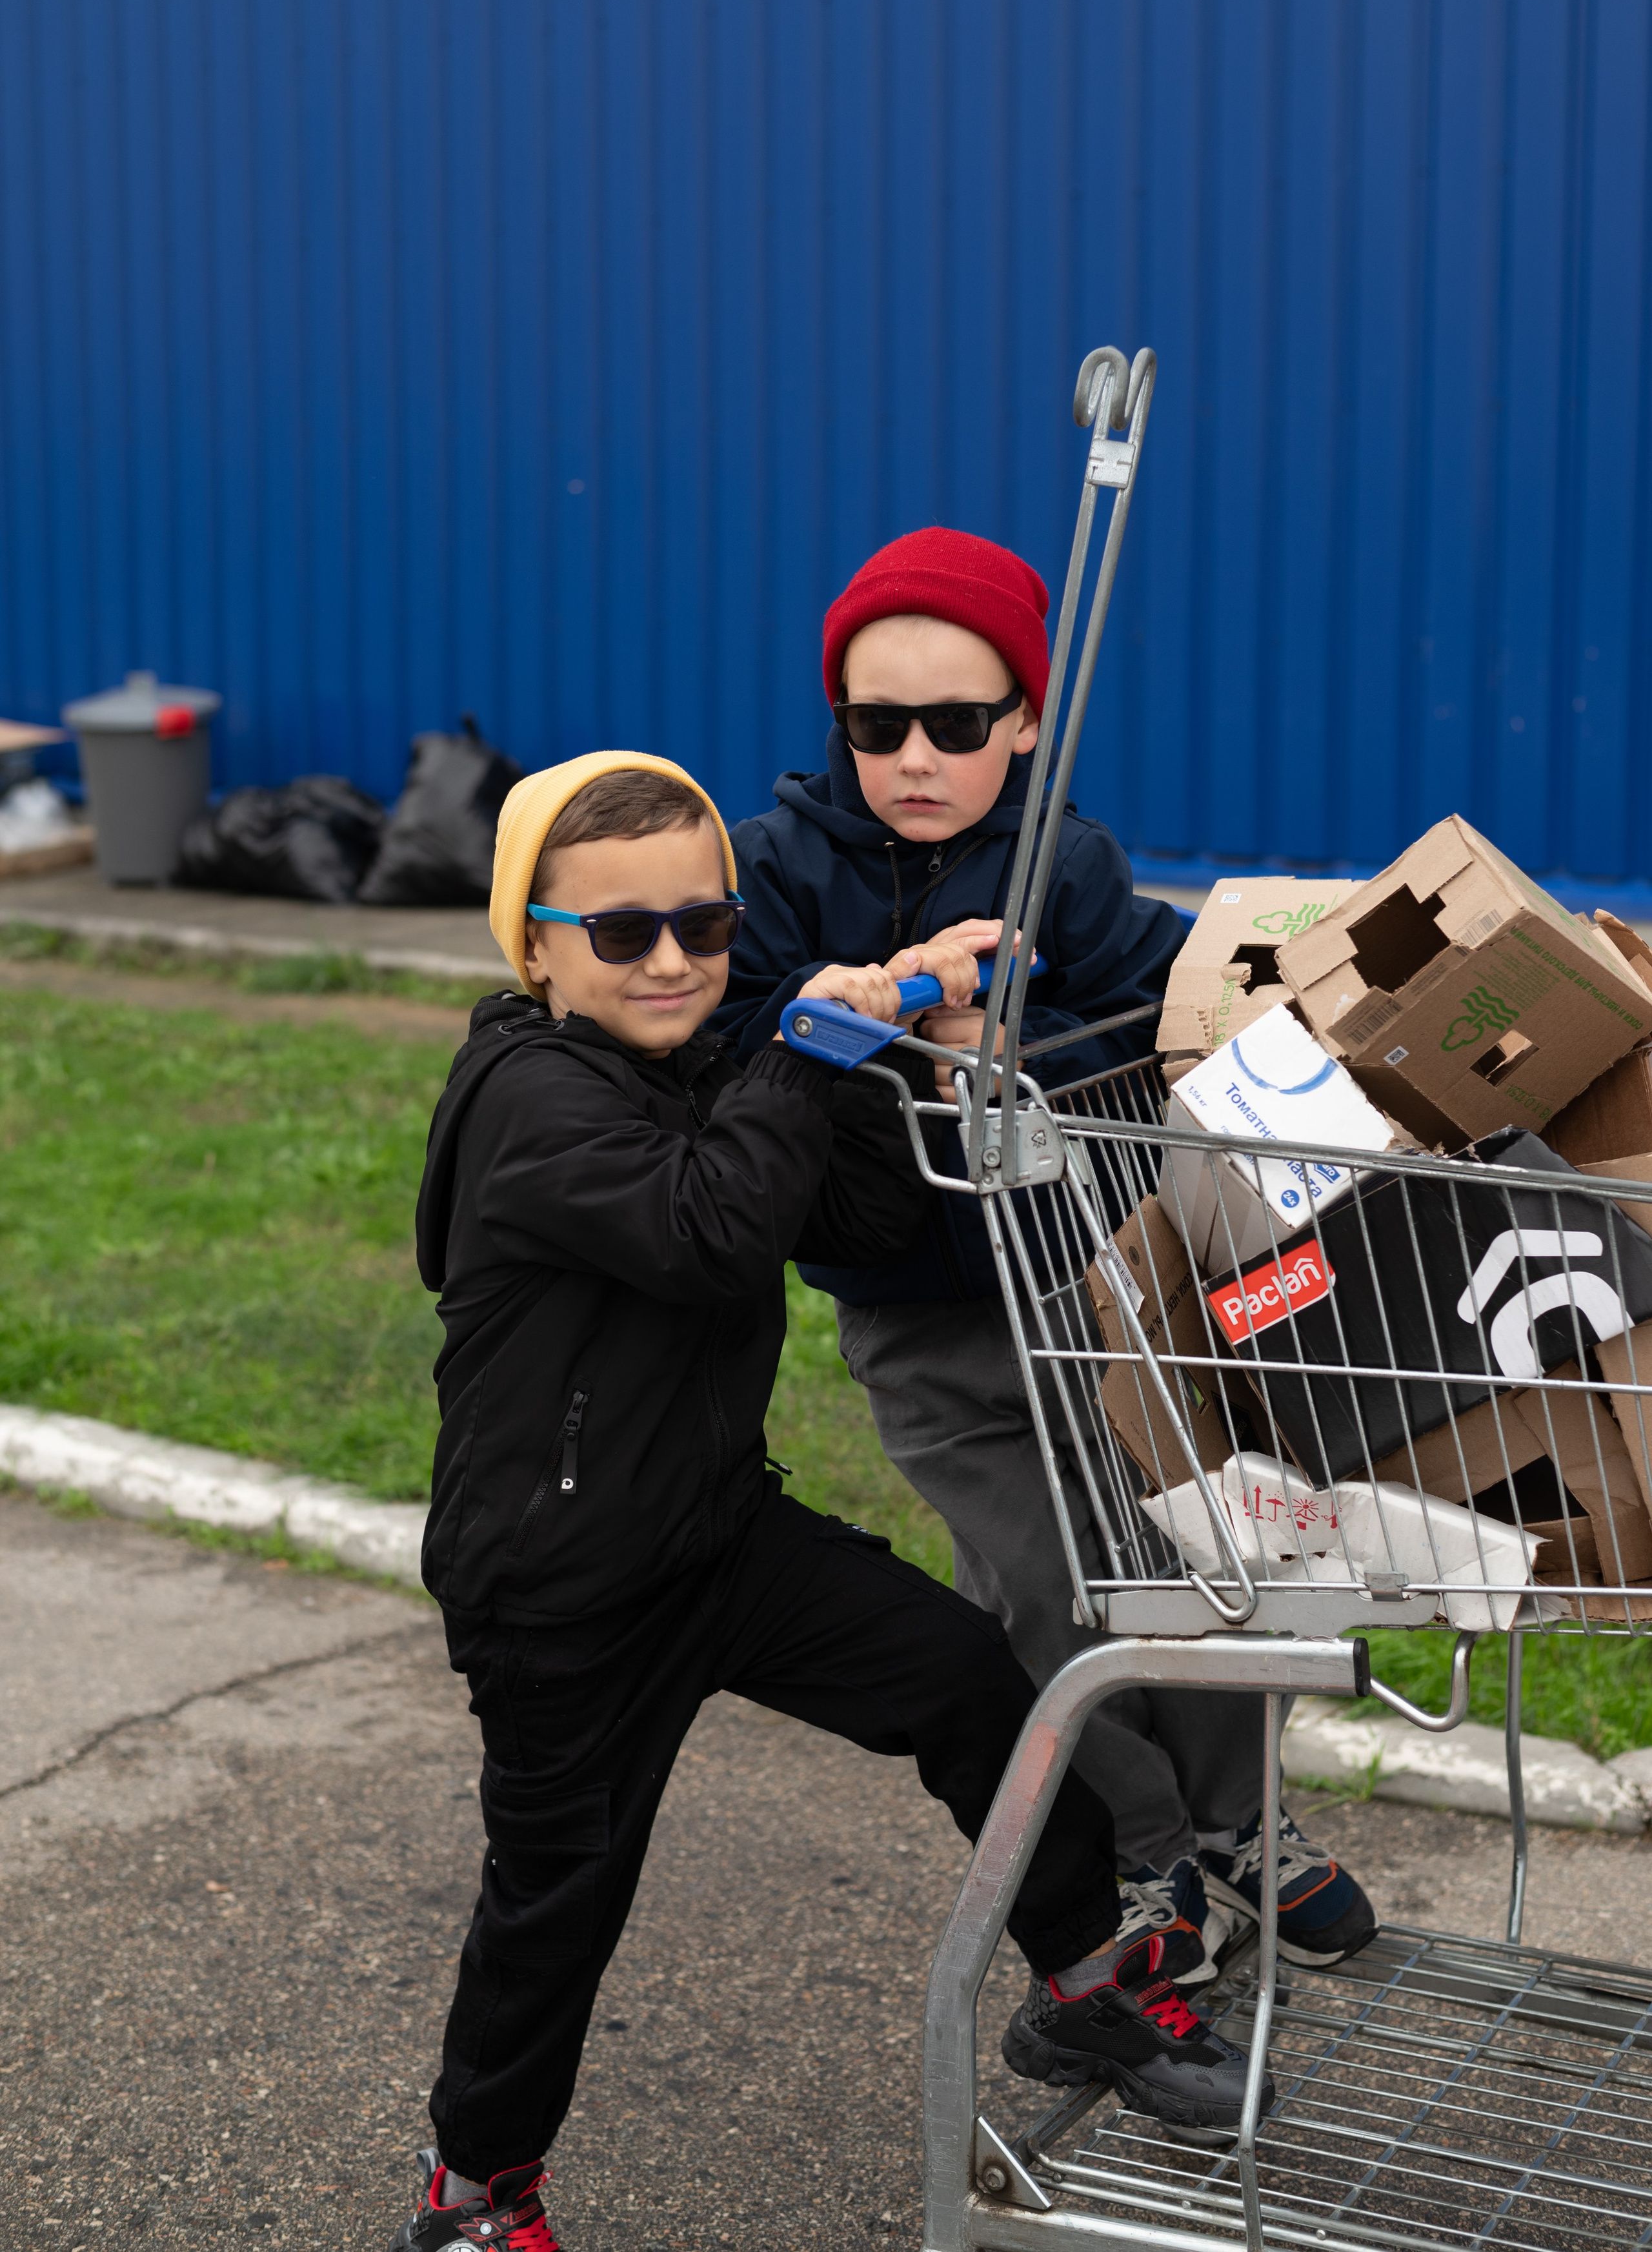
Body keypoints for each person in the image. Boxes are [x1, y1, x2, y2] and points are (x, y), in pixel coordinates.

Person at [390, 750, 1266, 2252]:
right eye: (621, 934)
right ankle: (475, 2195)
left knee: (969, 1683)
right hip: (559, 1590)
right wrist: (802, 1048)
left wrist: (900, 1034)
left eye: (706, 926)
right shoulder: (527, 1097)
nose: (673, 961)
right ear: (532, 943)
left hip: (715, 1531)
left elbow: (850, 1214)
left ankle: (1078, 1982)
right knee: (559, 1901)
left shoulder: (687, 1067)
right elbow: (714, 1232)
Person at [720, 528, 1378, 1984]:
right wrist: (830, 1021)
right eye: (871, 724)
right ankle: (1136, 1841)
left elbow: (1160, 1025)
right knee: (1031, 1585)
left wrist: (1013, 1043)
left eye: (955, 724)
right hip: (916, 1315)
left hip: (1091, 1290)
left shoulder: (1062, 865)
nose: (911, 757)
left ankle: (1237, 1818)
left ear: (1021, 719)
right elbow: (725, 1034)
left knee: (1179, 1554)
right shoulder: (769, 869)